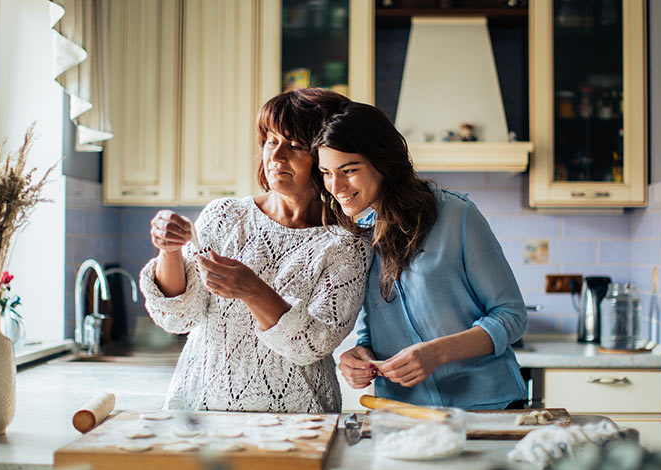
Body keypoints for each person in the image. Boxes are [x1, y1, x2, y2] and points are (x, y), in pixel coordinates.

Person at [139, 89, 371, 413]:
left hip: (299, 419)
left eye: (294, 146)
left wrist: (252, 290)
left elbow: (313, 343)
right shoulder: (224, 216)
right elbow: (179, 317)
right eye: (270, 141)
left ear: (324, 157)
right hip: (201, 411)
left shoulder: (347, 243)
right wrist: (169, 251)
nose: (276, 157)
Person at [313, 102, 527, 410]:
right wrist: (359, 354)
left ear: (383, 161)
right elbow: (370, 329)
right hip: (404, 413)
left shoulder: (457, 215)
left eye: (349, 170)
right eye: (326, 173)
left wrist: (435, 354)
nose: (336, 186)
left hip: (487, 406)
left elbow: (512, 316)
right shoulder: (355, 236)